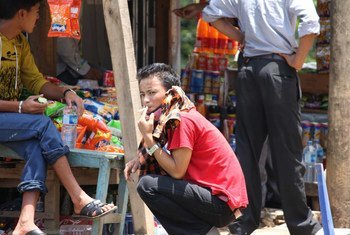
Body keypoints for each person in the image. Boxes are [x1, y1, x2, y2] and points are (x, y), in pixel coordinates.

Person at [174, 1, 322, 235]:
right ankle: (302, 226)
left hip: (248, 71)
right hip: (278, 70)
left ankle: (244, 221)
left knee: (248, 153)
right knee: (287, 152)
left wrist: (242, 36)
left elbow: (212, 14)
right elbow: (311, 23)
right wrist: (298, 60)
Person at [0, 1, 116, 234]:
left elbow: (36, 82)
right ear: (21, 13)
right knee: (41, 125)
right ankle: (78, 197)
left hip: (8, 121)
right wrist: (21, 107)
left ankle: (25, 221)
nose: (39, 19)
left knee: (36, 145)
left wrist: (66, 92)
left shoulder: (19, 42)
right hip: (8, 117)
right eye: (37, 13)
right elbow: (23, 106)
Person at [124, 63, 248, 235]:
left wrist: (148, 138)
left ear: (170, 92)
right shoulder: (174, 114)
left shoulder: (181, 120)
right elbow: (163, 158)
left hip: (222, 204)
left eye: (152, 93)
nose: (145, 100)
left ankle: (203, 232)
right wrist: (141, 157)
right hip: (216, 200)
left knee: (148, 186)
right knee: (153, 179)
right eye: (143, 94)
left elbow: (177, 172)